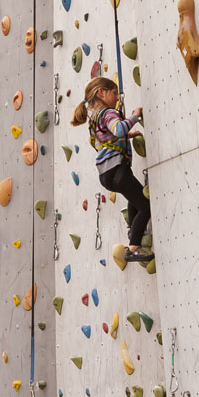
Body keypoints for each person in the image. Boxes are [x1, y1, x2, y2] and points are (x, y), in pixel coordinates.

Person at [71, 76, 153, 262]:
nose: (117, 98)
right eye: (114, 93)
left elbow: (106, 140)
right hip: (117, 169)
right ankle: (133, 248)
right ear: (101, 92)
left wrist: (128, 135)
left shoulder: (94, 119)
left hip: (106, 174)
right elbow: (118, 130)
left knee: (134, 198)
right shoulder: (108, 113)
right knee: (145, 206)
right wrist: (135, 116)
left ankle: (133, 229)